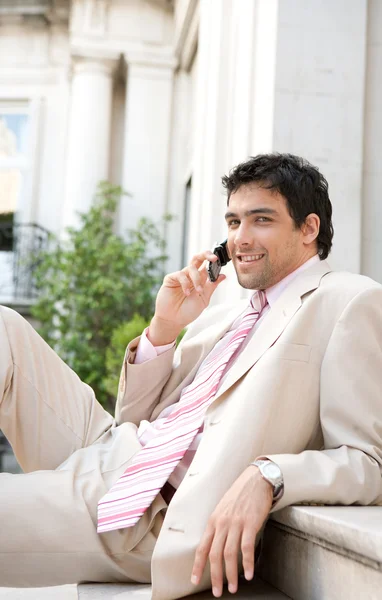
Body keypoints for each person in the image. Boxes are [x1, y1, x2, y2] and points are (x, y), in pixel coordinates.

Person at [0, 153, 381, 600]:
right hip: (115, 451)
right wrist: (164, 329)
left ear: (308, 228)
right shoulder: (227, 313)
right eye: (233, 221)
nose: (240, 238)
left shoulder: (348, 300)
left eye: (261, 220)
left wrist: (269, 475)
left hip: (148, 512)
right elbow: (135, 415)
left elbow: (366, 460)